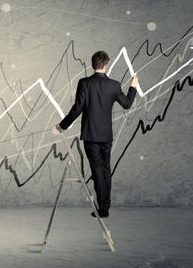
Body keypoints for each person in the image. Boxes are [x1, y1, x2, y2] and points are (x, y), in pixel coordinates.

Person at [55, 50, 138, 218]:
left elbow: (77, 108)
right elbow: (127, 104)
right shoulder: (114, 85)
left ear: (93, 65)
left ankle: (103, 209)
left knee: (98, 170)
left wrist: (62, 126)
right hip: (106, 136)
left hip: (91, 136)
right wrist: (133, 87)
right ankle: (105, 206)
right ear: (106, 66)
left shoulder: (84, 83)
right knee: (106, 169)